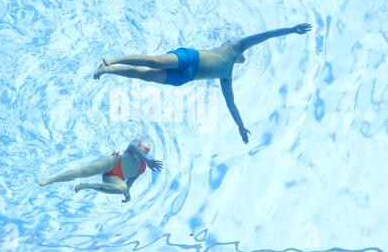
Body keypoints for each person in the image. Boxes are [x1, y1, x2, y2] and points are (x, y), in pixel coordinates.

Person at [94, 23, 312, 144]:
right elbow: (267, 34)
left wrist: (240, 126)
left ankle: (107, 70)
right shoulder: (236, 46)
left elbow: (231, 104)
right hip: (190, 58)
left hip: (184, 78)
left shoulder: (226, 76)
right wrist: (292, 30)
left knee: (145, 76)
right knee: (153, 61)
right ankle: (113, 59)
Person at [38, 139, 162, 203]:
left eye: (148, 148)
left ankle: (87, 186)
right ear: (141, 146)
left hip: (115, 178)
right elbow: (132, 147)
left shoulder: (143, 167)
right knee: (84, 171)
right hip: (114, 161)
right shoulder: (136, 144)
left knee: (122, 188)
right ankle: (50, 180)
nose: (148, 145)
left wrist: (127, 195)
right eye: (145, 145)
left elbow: (130, 183)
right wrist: (147, 159)